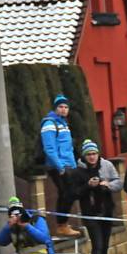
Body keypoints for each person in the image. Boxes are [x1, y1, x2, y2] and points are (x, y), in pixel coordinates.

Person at [73, 140, 123, 254]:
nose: (92, 157)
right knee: (98, 246)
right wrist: (88, 186)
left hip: (106, 210)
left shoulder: (107, 165)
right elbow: (75, 193)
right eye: (89, 154)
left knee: (105, 246)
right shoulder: (79, 170)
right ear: (84, 156)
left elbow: (119, 182)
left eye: (94, 154)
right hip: (90, 213)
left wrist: (107, 185)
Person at [41, 94, 80, 237]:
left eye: (66, 107)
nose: (63, 110)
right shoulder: (49, 123)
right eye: (60, 107)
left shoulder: (64, 124)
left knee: (69, 194)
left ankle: (63, 224)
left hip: (69, 164)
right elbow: (49, 148)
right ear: (55, 108)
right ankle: (61, 225)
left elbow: (68, 148)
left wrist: (74, 166)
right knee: (67, 193)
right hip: (57, 166)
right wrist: (60, 167)